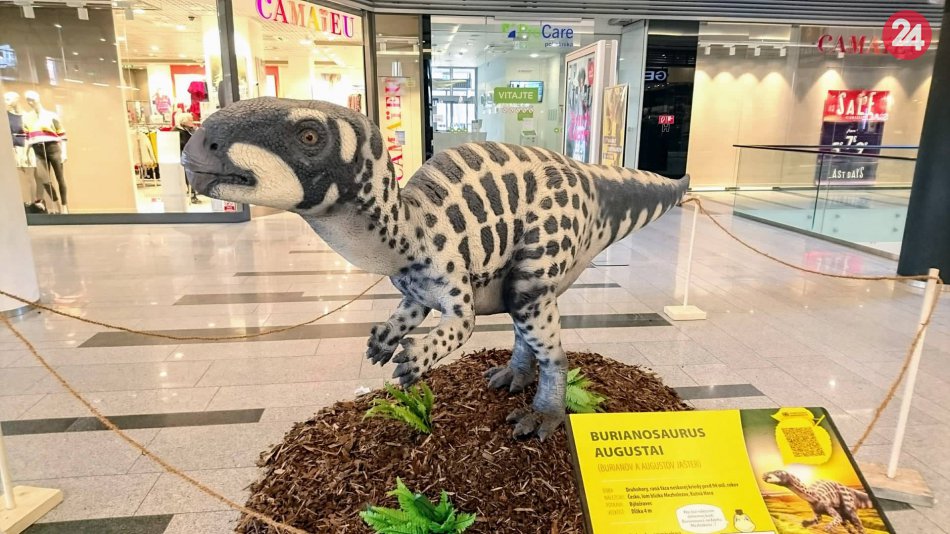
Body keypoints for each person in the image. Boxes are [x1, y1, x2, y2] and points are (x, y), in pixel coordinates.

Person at [175, 113, 199, 203]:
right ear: (184, 121)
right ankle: (192, 195)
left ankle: (193, 193)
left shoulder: (190, 130)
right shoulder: (177, 131)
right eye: (190, 120)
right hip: (184, 158)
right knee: (189, 177)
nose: (192, 121)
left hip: (192, 157)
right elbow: (182, 144)